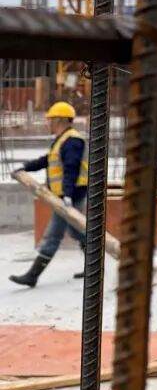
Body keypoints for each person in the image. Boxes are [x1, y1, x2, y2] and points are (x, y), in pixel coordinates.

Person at [9, 100, 88, 288]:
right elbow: (47, 160)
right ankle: (94, 265)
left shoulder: (72, 141)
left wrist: (67, 195)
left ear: (59, 120)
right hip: (65, 195)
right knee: (78, 231)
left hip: (69, 196)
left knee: (53, 235)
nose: (48, 123)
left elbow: (71, 169)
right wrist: (25, 167)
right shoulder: (62, 139)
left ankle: (32, 276)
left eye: (50, 119)